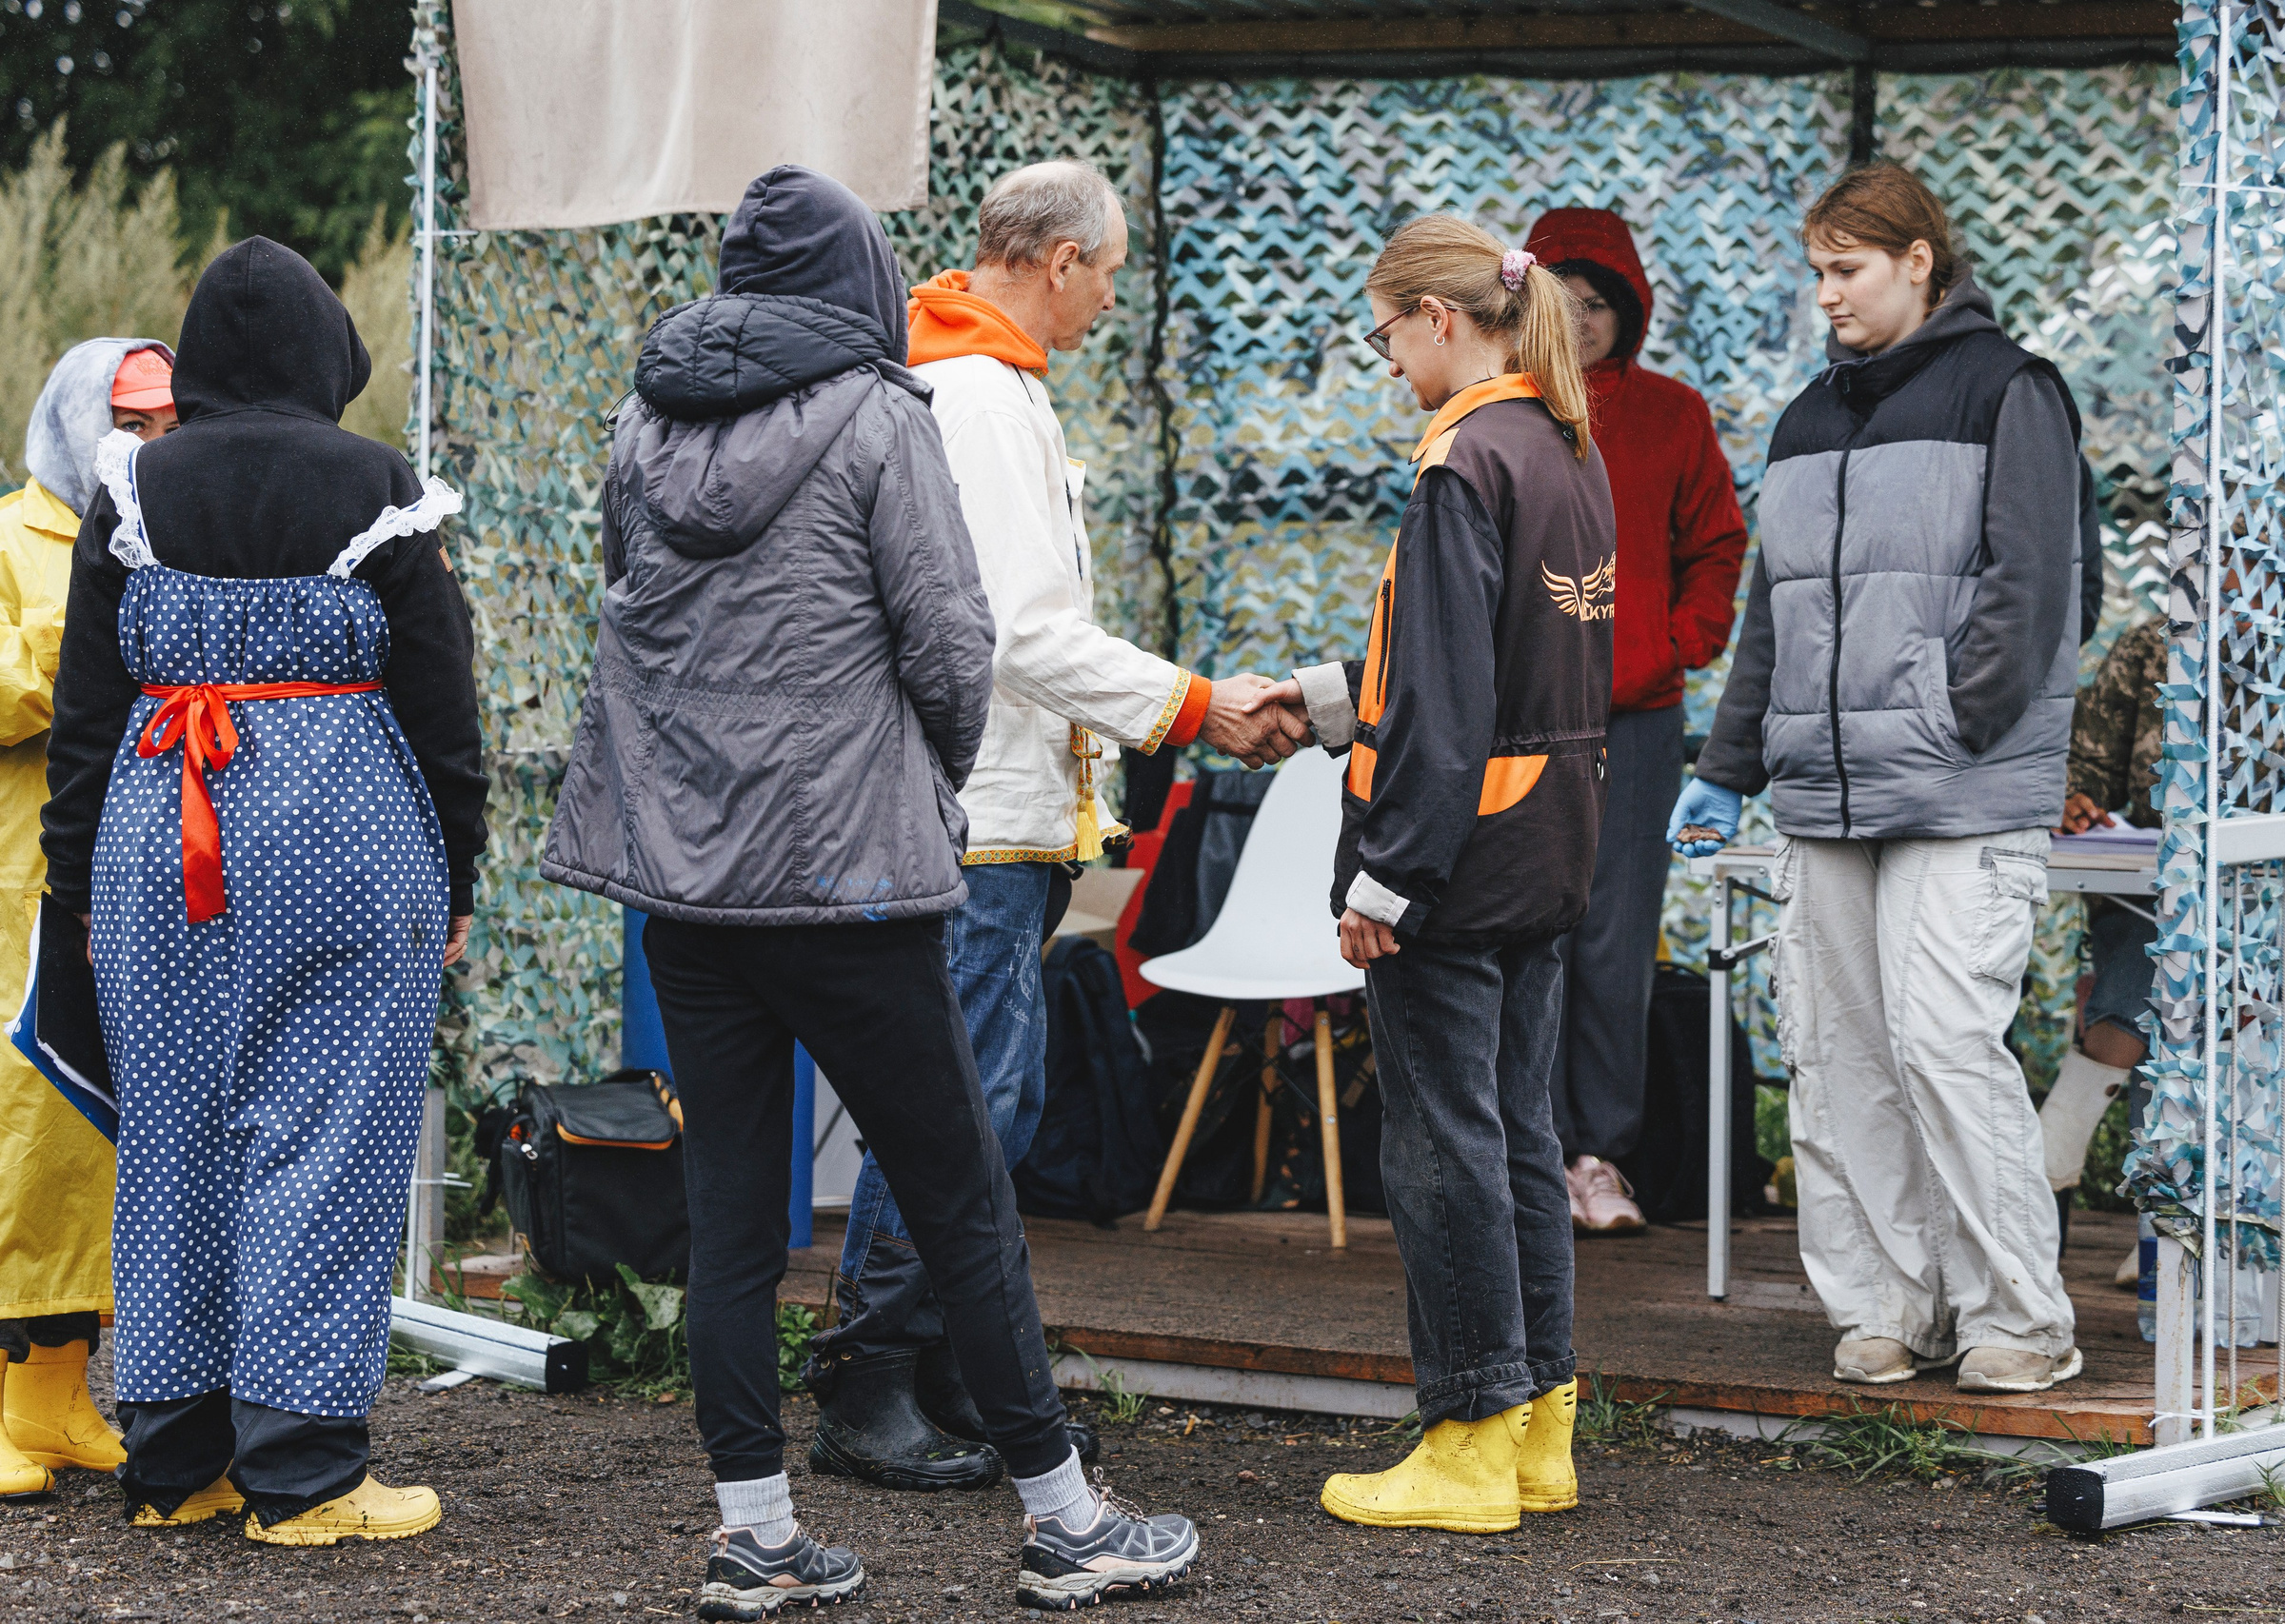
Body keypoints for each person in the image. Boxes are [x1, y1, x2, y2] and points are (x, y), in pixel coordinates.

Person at [539, 165, 1198, 1617]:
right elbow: (955, 644)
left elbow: (626, 606)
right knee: (962, 1191)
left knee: (731, 1215)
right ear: (858, 276)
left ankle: (756, 1536)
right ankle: (1068, 1522)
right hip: (851, 876)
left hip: (691, 887)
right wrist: (924, 777)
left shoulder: (644, 420)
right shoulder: (883, 415)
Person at [804, 156, 1308, 1491]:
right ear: (1061, 259)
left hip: (999, 803)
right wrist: (1193, 703)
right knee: (957, 1102)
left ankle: (947, 1363)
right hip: (978, 807)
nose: (1109, 297)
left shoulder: (982, 379)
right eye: (1109, 269)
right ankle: (874, 1377)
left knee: (982, 1099)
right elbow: (1022, 630)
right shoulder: (979, 392)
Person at [41, 237, 487, 1541]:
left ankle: (178, 1463)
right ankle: (304, 1475)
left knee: (172, 1134)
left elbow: (85, 707)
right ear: (322, 354)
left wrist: (78, 882)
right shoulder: (377, 485)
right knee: (330, 1134)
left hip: (156, 843)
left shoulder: (133, 486)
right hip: (345, 844)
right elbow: (438, 704)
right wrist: (453, 868)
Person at [1669, 163, 2092, 1395]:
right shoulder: (1804, 418)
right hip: (1821, 795)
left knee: (1945, 1041)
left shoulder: (2013, 391)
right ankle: (1884, 1307)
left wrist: (1950, 717)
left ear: (1919, 261)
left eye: (1846, 270)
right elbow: (1773, 611)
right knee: (1837, 1052)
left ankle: (2019, 1315)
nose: (1827, 296)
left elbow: (2039, 586)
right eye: (1815, 272)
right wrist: (1726, 765)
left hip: (1962, 788)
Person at [1267, 216, 1614, 1534]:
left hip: (1455, 862)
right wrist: (1320, 698)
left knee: (1440, 1142)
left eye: (1383, 332)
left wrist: (1385, 881)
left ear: (1436, 316)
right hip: (1551, 843)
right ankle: (1538, 1428)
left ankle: (1465, 1430)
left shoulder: (1461, 459)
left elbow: (1453, 693)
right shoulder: (1567, 448)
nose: (1387, 358)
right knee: (1520, 1132)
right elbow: (1503, 668)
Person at [0, 336, 173, 1500]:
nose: (153, 444)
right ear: (74, 424)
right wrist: (92, 634)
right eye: (131, 423)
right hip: (8, 890)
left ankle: (54, 1391)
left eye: (168, 424)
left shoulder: (149, 536)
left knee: (99, 1135)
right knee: (22, 1130)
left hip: (109, 886)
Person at [1521, 208, 1748, 1235]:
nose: (1582, 319)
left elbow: (1718, 544)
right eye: (1561, 302)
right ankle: (1527, 1152)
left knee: (1614, 935)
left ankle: (1597, 1154)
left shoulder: (1671, 413)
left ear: (1628, 311)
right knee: (1523, 926)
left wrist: (1680, 642)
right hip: (1518, 719)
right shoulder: (1504, 410)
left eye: (1599, 302)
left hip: (1638, 720)